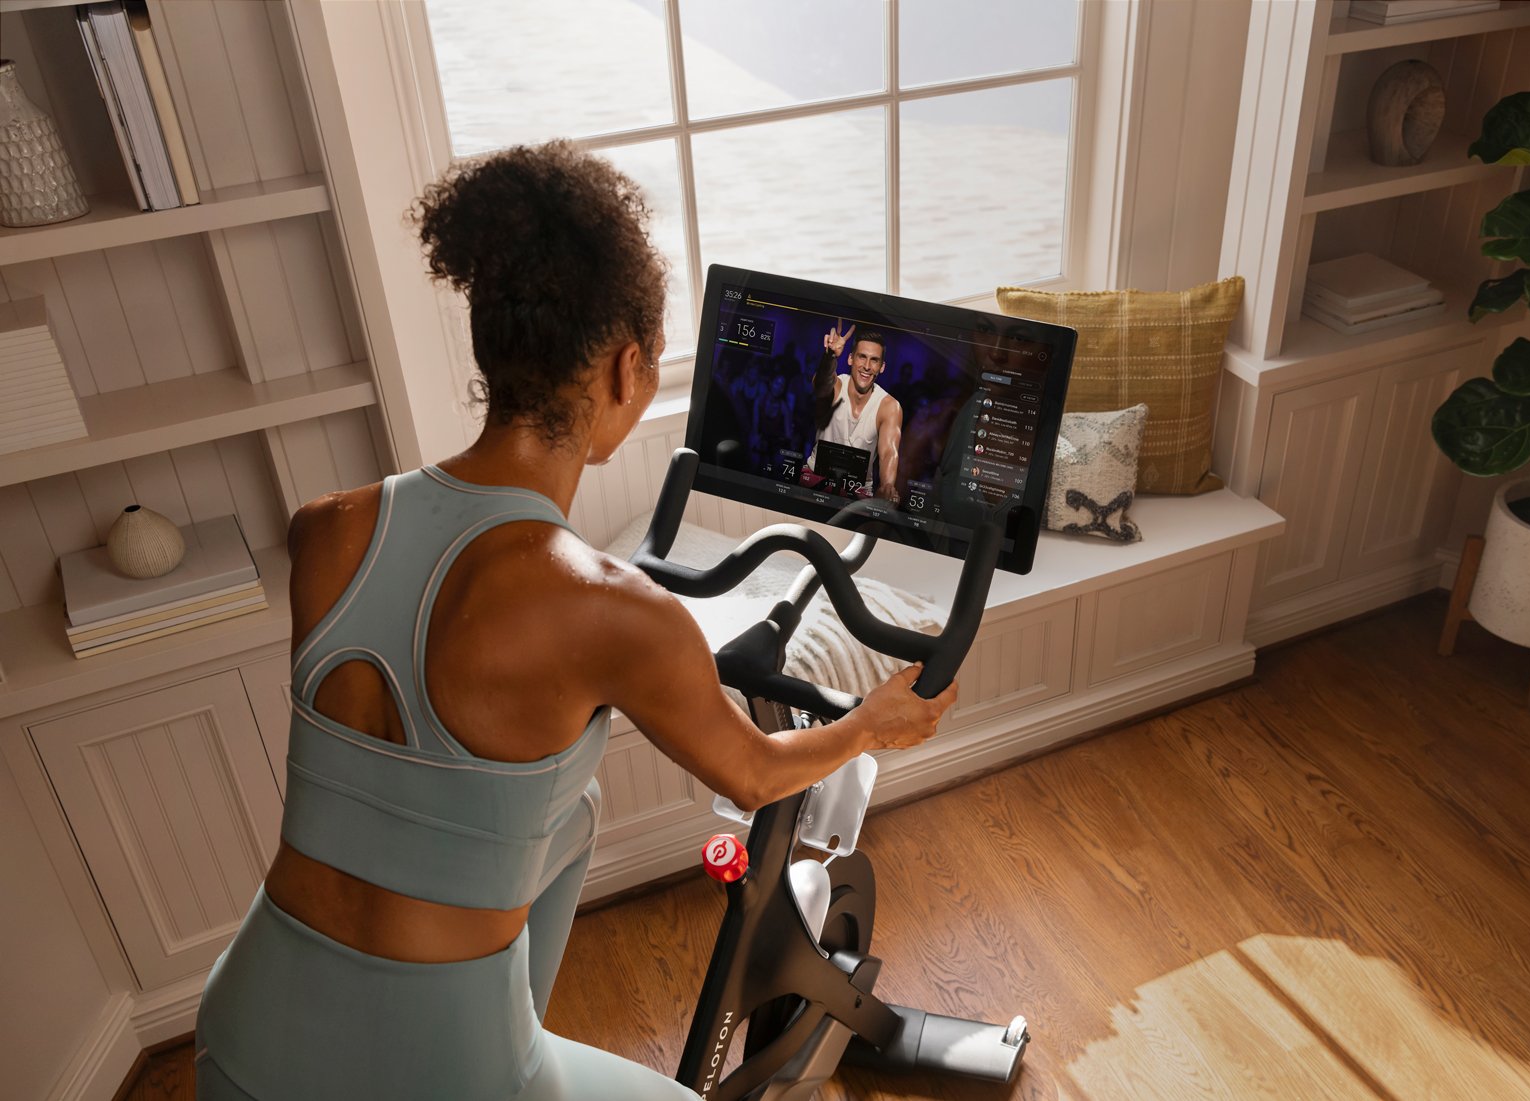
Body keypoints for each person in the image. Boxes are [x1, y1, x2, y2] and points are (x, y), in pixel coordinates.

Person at [193, 141, 957, 1101]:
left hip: (244, 1037)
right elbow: (756, 777)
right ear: (626, 370)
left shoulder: (326, 532)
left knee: (571, 814)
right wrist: (869, 725)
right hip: (441, 1076)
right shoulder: (614, 614)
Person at [807, 324, 903, 502]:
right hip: (815, 479)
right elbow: (821, 384)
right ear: (850, 359)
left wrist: (888, 485)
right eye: (862, 357)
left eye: (874, 360)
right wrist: (830, 357)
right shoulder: (836, 385)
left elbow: (889, 452)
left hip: (858, 494)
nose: (867, 366)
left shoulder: (889, 406)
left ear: (882, 367)